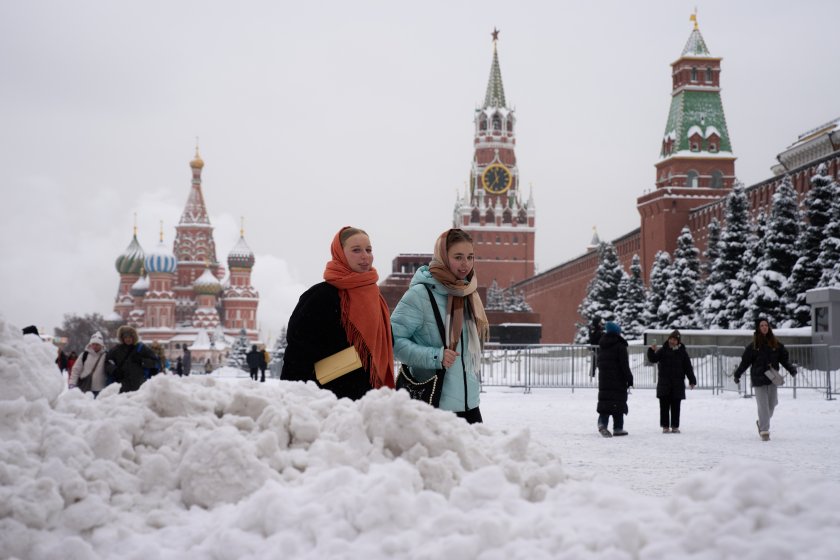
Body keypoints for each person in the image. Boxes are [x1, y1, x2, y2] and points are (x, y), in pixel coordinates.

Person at [281, 226, 395, 400]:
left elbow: (385, 343)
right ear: (340, 253)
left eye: (368, 250)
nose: (365, 256)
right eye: (356, 250)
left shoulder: (375, 296)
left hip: (370, 397)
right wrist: (292, 395)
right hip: (327, 398)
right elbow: (298, 351)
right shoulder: (322, 295)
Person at [391, 228, 489, 424]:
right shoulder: (420, 294)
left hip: (470, 404)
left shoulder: (468, 292)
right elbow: (393, 341)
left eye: (470, 257)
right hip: (434, 404)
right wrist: (436, 356)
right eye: (458, 257)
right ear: (443, 257)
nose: (465, 264)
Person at [733, 318, 797, 441]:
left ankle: (761, 421)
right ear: (758, 328)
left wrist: (791, 369)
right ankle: (764, 430)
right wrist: (737, 374)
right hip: (758, 379)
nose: (764, 327)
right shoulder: (753, 346)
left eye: (766, 325)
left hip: (772, 378)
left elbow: (784, 360)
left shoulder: (776, 345)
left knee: (772, 404)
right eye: (761, 325)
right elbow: (744, 363)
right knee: (763, 406)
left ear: (769, 327)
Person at [647, 329, 696, 434]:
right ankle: (665, 426)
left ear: (678, 341)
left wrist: (692, 380)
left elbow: (688, 367)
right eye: (671, 339)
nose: (672, 341)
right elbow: (653, 359)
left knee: (676, 406)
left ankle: (675, 426)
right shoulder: (663, 350)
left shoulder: (682, 352)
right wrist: (651, 350)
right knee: (664, 406)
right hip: (664, 383)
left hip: (677, 384)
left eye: (674, 340)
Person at [596, 321, 634, 437]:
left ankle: (602, 424)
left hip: (604, 379)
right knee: (618, 403)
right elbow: (624, 364)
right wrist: (629, 378)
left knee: (605, 403)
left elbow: (599, 362)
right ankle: (618, 428)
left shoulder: (603, 345)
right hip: (618, 379)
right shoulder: (620, 346)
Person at [105, 325, 160, 393]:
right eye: (125, 337)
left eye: (130, 337)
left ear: (134, 337)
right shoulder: (116, 350)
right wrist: (114, 370)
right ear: (122, 338)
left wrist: (141, 361)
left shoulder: (142, 348)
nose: (128, 339)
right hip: (121, 385)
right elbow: (107, 362)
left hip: (139, 385)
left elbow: (156, 362)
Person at [68, 332, 108, 397]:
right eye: (93, 344)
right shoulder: (84, 355)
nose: (95, 346)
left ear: (101, 345)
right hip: (85, 387)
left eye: (97, 344)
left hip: (100, 389)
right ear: (90, 344)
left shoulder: (106, 355)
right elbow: (76, 370)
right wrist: (72, 383)